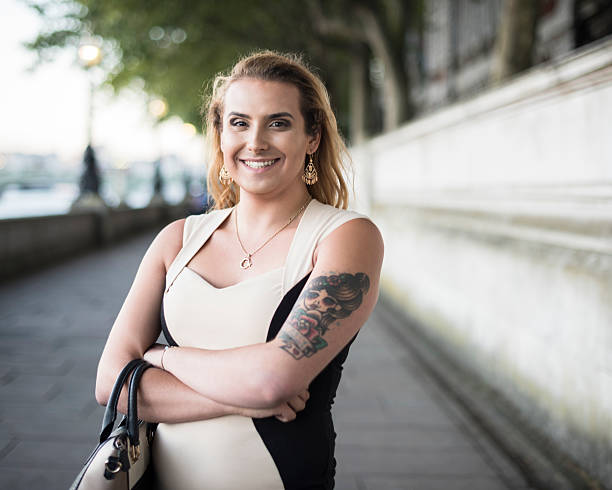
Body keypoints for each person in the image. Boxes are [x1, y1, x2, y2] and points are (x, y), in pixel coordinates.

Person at [95, 50, 384, 489]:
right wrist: (244, 398)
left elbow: (273, 379)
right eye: (239, 122)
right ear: (219, 134)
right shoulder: (178, 239)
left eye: (279, 122)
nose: (256, 142)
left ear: (313, 137)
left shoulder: (345, 236)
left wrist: (158, 357)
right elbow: (110, 382)